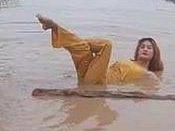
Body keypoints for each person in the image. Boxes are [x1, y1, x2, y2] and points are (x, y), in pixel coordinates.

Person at [36, 14, 164, 85]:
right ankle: (54, 28)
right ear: (137, 50)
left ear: (155, 53)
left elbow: (161, 87)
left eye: (149, 47)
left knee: (106, 44)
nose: (145, 49)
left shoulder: (148, 74)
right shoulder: (130, 61)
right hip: (89, 75)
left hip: (98, 82)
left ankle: (69, 38)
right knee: (83, 50)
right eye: (142, 47)